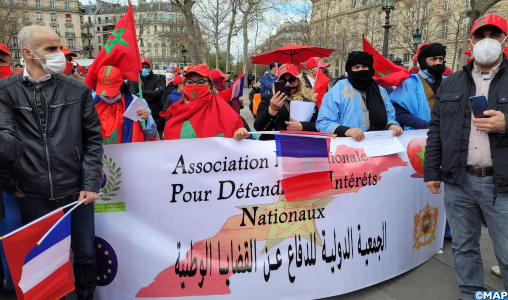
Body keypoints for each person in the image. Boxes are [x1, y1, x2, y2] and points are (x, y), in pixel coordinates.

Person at [0, 25, 103, 299]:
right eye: (52, 49)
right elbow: (5, 145)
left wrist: (91, 183)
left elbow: (93, 140)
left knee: (84, 253)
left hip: (77, 192)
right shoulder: (5, 91)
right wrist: (15, 185)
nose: (61, 54)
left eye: (59, 46)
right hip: (32, 195)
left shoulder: (77, 89)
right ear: (27, 53)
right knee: (42, 262)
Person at [424, 14, 508, 300]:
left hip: (502, 184)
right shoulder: (452, 83)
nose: (488, 41)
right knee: (464, 248)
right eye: (481, 35)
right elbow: (436, 130)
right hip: (458, 180)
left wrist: (506, 123)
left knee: (507, 253)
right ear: (470, 42)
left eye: (494, 35)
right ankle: (473, 296)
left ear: (504, 41)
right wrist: (432, 171)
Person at [316, 51, 403, 141]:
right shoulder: (337, 91)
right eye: (356, 67)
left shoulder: (380, 91)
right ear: (350, 70)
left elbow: (390, 116)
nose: (361, 70)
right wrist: (347, 131)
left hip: (378, 144)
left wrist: (392, 125)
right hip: (348, 148)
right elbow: (323, 122)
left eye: (364, 66)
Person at [160, 64, 248, 141]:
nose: (194, 86)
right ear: (184, 84)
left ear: (209, 84)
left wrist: (239, 133)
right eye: (190, 82)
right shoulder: (177, 108)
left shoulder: (222, 107)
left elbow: (234, 126)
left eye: (200, 82)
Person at [254, 63, 319, 140]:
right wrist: (272, 109)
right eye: (283, 80)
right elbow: (258, 127)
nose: (287, 84)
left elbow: (319, 125)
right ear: (278, 82)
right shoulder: (269, 99)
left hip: (299, 144)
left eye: (291, 80)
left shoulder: (307, 99)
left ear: (298, 81)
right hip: (274, 144)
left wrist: (302, 126)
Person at [390, 43, 447, 130]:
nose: (438, 63)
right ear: (424, 61)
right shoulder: (408, 83)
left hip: (445, 134)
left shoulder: (448, 82)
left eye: (441, 59)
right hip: (416, 135)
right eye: (434, 59)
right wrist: (427, 126)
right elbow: (400, 114)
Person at [94, 65, 156, 144]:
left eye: (113, 92)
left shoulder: (136, 103)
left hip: (127, 152)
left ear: (121, 86)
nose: (109, 97)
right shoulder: (92, 100)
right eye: (105, 93)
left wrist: (147, 120)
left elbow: (151, 134)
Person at [133, 58, 165, 138]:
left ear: (150, 68)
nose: (144, 69)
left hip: (157, 117)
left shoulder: (158, 80)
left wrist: (141, 93)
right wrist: (152, 93)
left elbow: (159, 93)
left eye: (146, 67)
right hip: (140, 117)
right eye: (142, 67)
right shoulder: (134, 81)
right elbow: (133, 95)